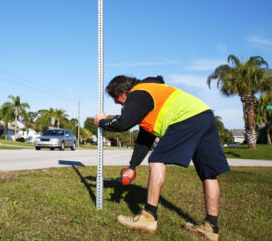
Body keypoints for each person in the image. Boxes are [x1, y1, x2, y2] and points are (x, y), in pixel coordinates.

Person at [95, 75, 230, 240]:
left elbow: (123, 123)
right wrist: (132, 167)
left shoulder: (138, 93)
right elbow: (144, 140)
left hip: (185, 118)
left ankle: (148, 217)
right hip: (205, 116)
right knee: (208, 173)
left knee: (157, 160)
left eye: (116, 98)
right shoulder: (150, 96)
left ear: (124, 91)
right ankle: (210, 226)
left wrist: (102, 122)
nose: (116, 103)